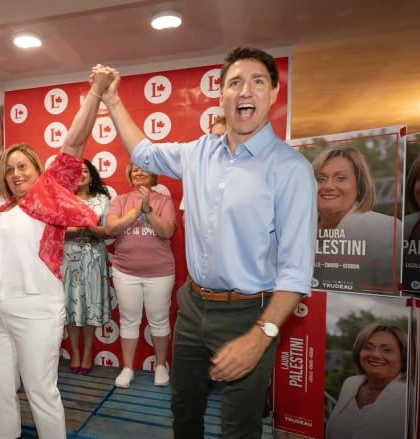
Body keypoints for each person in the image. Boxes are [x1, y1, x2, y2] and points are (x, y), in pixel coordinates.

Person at [100, 47, 317, 438]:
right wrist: (112, 100)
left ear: (272, 94)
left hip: (251, 313)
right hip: (193, 305)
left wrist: (259, 337)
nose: (244, 91)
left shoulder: (291, 170)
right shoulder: (197, 153)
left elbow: (296, 272)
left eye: (257, 82)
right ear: (221, 96)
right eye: (235, 82)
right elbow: (143, 151)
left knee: (239, 427)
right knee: (184, 412)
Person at [0, 67, 115, 439]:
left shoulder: (44, 199)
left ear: (39, 172)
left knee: (41, 392)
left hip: (37, 311)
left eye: (23, 167)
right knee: (1, 393)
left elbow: (72, 145)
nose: (16, 173)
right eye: (9, 169)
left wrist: (96, 93)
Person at [105, 163, 176, 387]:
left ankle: (161, 366)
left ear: (153, 174)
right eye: (134, 169)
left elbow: (166, 231)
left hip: (159, 272)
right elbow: (110, 229)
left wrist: (148, 210)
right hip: (125, 271)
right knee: (128, 320)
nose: (138, 172)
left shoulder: (163, 201)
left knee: (159, 320)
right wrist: (136, 211)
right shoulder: (121, 201)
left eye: (143, 169)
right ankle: (127, 368)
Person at [311, 145, 402, 288]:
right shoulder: (296, 230)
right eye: (320, 179)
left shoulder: (385, 229)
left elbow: (392, 304)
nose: (328, 186)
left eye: (340, 178)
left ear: (359, 186)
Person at [62, 159, 112, 375]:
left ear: (92, 175)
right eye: (76, 171)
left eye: (85, 171)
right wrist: (80, 227)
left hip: (94, 258)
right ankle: (74, 352)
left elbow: (107, 230)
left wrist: (88, 227)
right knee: (70, 306)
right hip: (68, 258)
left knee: (92, 303)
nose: (80, 174)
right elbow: (56, 231)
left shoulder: (103, 199)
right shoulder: (63, 200)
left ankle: (88, 352)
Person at [325, 322, 408, 439]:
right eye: (368, 347)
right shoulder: (350, 383)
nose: (375, 354)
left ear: (404, 358)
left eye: (386, 350)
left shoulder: (411, 394)